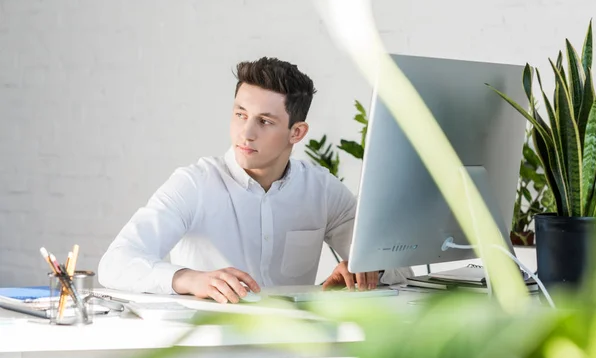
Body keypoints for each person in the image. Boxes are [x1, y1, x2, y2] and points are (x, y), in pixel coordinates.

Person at [98, 57, 412, 304]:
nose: (246, 133)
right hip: (213, 354)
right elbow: (115, 263)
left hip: (296, 352)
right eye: (240, 115)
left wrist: (369, 269)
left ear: (296, 132)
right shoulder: (194, 184)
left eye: (264, 121)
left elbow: (400, 266)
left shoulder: (321, 190)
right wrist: (189, 279)